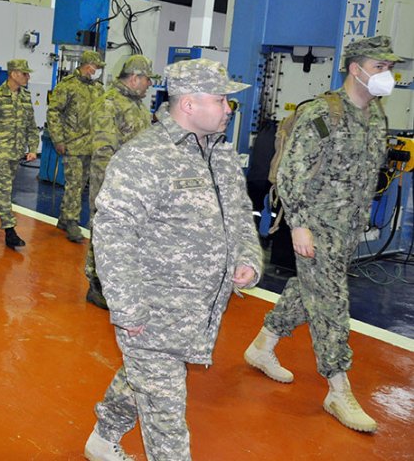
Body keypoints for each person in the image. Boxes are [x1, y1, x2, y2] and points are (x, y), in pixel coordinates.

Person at [84, 58, 261, 461]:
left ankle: (102, 436)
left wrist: (247, 257)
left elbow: (237, 212)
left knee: (139, 379)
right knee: (167, 421)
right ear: (189, 105)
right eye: (221, 99)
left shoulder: (220, 154)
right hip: (151, 312)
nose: (228, 108)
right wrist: (128, 308)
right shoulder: (144, 157)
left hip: (198, 309)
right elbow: (113, 233)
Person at [243, 36, 401, 434]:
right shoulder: (323, 114)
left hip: (348, 227)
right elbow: (291, 173)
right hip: (315, 226)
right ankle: (337, 387)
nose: (387, 75)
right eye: (379, 67)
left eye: (388, 68)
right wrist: (298, 224)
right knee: (331, 302)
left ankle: (263, 345)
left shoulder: (376, 115)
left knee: (308, 289)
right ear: (356, 68)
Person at [84, 55, 157, 309]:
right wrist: (110, 190)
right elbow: (103, 151)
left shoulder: (138, 105)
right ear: (135, 78)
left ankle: (121, 282)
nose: (149, 84)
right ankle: (96, 285)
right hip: (113, 183)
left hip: (138, 183)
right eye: (147, 79)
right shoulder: (108, 104)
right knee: (104, 231)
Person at [0, 59, 40, 249]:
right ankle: (10, 230)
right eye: (24, 73)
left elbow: (31, 126)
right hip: (0, 150)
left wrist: (33, 148)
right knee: (5, 190)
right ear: (13, 74)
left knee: (2, 190)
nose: (28, 77)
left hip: (17, 151)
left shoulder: (25, 97)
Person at [47, 50, 106, 242]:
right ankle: (72, 221)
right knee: (74, 184)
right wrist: (58, 139)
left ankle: (64, 218)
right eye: (96, 67)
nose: (98, 71)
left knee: (81, 185)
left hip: (91, 145)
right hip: (72, 144)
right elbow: (54, 112)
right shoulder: (68, 86)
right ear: (87, 66)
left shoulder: (98, 88)